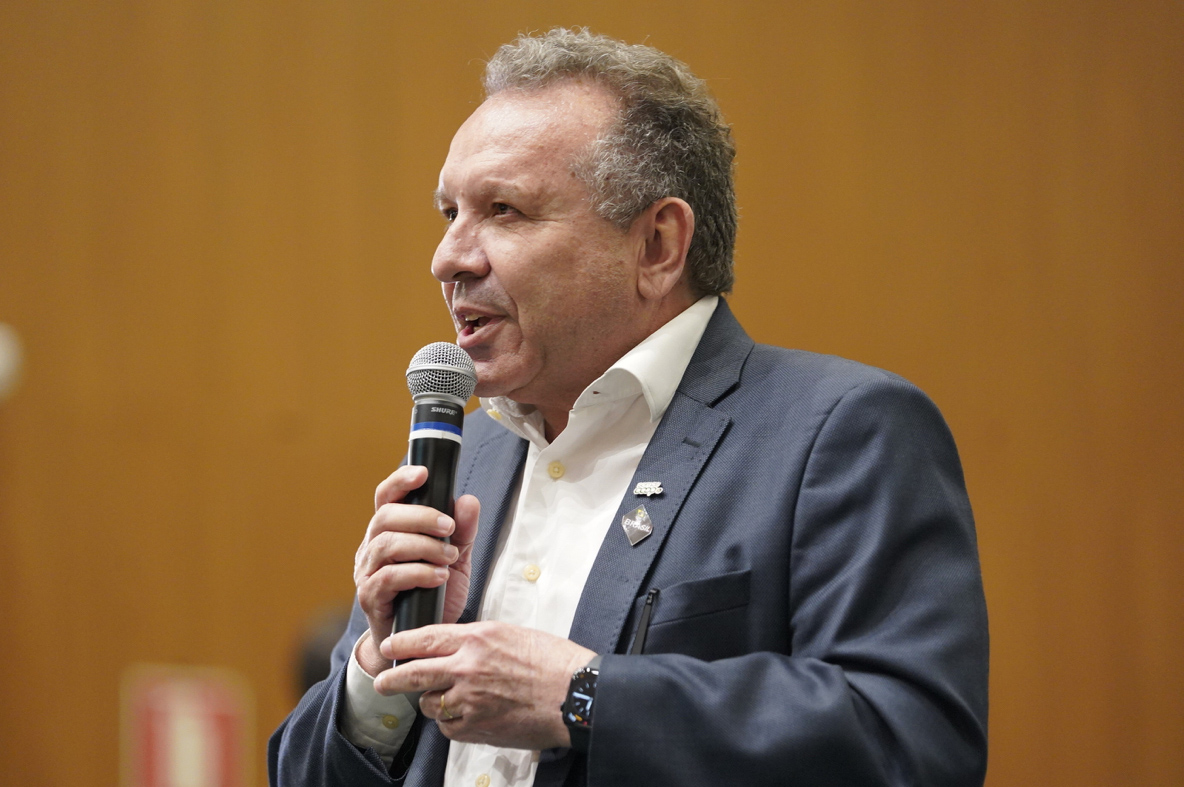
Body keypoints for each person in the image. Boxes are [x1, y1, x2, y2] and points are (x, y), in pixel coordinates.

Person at [269, 27, 988, 787]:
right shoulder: (464, 456)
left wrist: (582, 696)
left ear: (657, 246)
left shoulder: (840, 433)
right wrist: (376, 673)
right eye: (451, 213)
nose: (448, 258)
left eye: (504, 210)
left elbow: (911, 742)